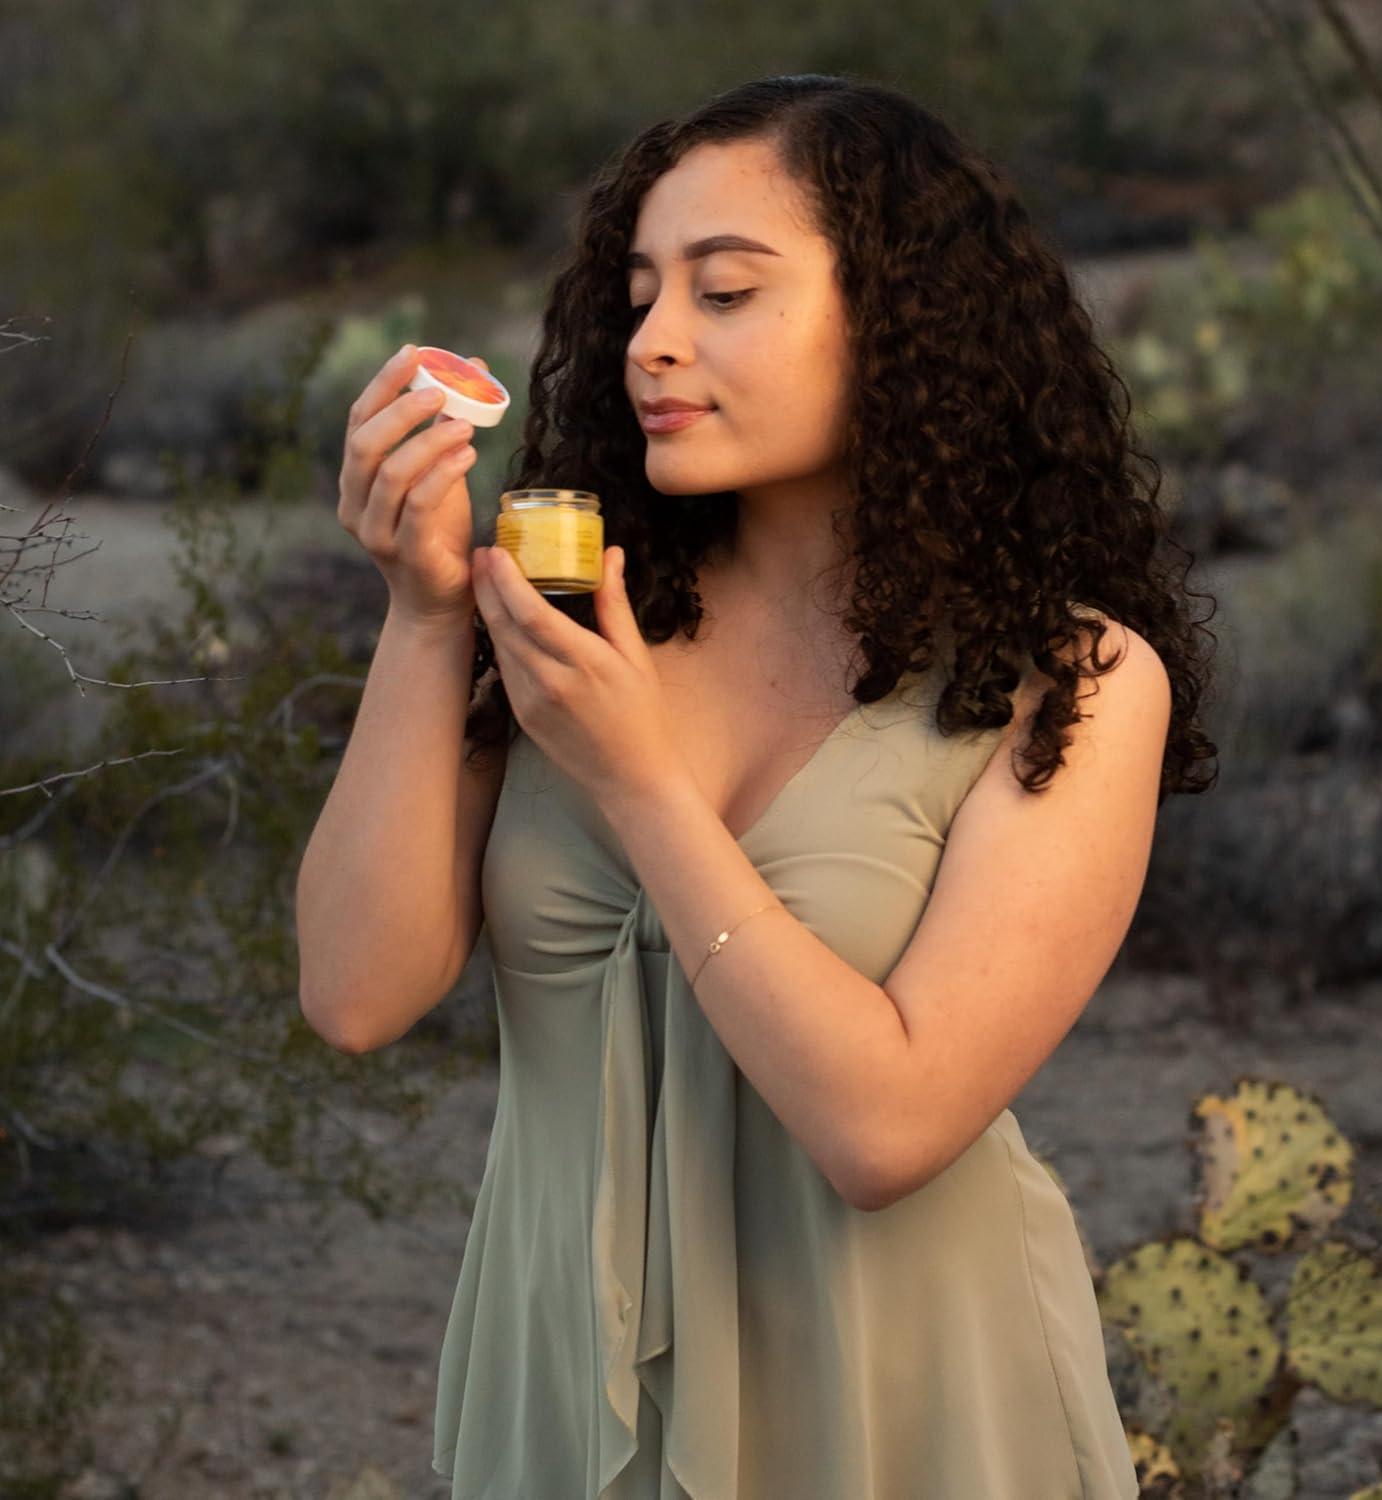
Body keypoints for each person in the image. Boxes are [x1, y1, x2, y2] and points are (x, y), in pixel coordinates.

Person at [298, 72, 1218, 1499]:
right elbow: (356, 995)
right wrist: (424, 618)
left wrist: (640, 786)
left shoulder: (1071, 678)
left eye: (725, 293)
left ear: (906, 321)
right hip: (560, 1385)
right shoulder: (572, 611)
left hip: (902, 1403)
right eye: (640, 296)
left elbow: (886, 1130)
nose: (653, 342)